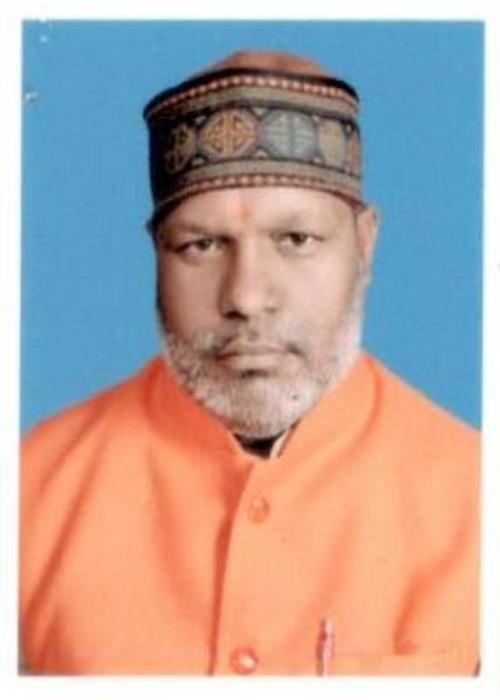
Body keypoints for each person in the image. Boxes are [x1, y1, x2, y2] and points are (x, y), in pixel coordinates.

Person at [20, 49, 479, 676]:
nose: (246, 296)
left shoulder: (476, 495)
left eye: (296, 240)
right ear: (157, 253)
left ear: (365, 243)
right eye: (201, 245)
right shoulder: (30, 488)